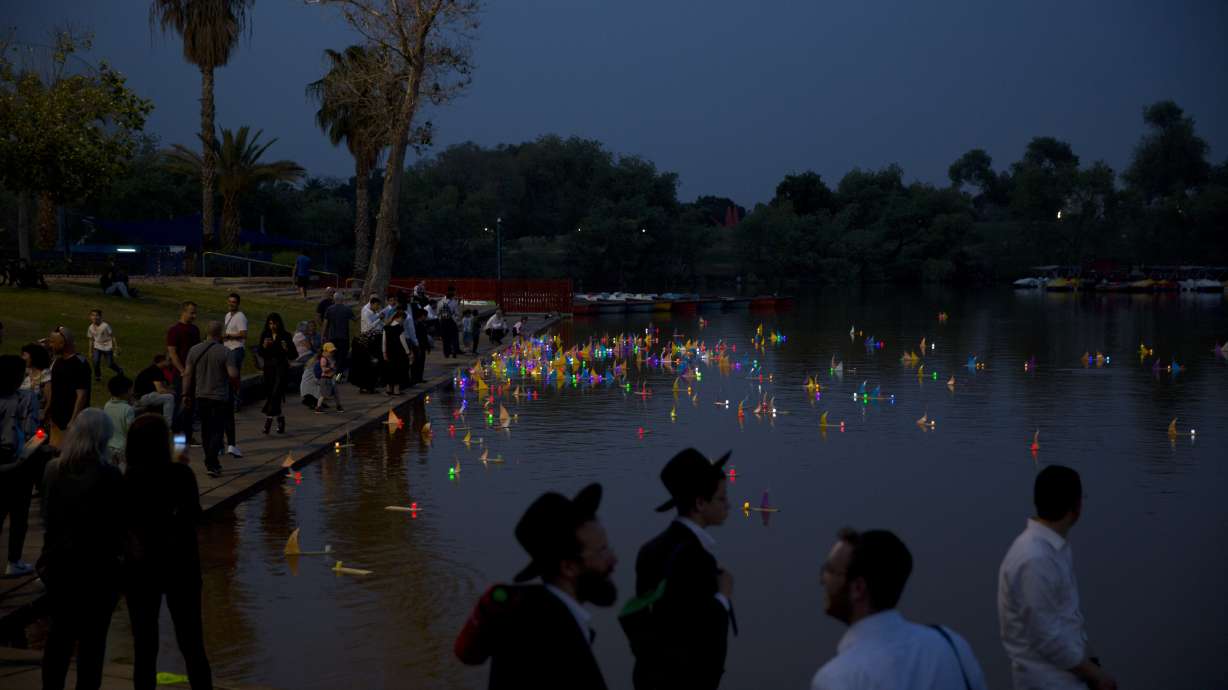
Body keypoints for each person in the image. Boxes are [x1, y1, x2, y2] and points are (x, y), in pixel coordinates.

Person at [455, 483, 616, 689]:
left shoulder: (537, 613)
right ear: (568, 567)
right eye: (602, 551)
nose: (614, 559)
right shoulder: (547, 633)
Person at [811, 528, 988, 690]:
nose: (822, 580)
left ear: (858, 588)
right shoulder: (951, 644)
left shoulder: (836, 679)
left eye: (830, 571)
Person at [998, 465, 1117, 690]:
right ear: (1077, 506)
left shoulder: (1053, 548)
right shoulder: (1034, 558)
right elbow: (1046, 637)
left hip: (1071, 677)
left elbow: (1067, 619)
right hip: (1047, 682)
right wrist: (1097, 675)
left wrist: (1090, 662)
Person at [631, 448, 736, 690]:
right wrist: (723, 597)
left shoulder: (650, 549)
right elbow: (700, 634)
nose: (728, 505)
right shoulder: (696, 557)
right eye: (721, 498)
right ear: (700, 503)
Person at [123, 414, 212, 690]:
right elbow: (195, 518)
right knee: (192, 643)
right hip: (180, 564)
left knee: (144, 647)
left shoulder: (129, 478)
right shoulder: (181, 475)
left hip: (141, 567)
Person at [38, 408, 124, 690]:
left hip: (60, 564)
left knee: (58, 638)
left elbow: (48, 517)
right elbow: (117, 524)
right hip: (97, 568)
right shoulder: (109, 475)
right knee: (93, 643)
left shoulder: (53, 470)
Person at [182, 321, 238, 478]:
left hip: (201, 395)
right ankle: (212, 462)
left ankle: (210, 460)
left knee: (206, 430)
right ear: (220, 334)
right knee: (218, 430)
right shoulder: (225, 352)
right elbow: (233, 374)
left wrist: (185, 394)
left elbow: (187, 374)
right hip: (219, 397)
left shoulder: (194, 350)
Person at [0, 354, 40, 576]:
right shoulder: (26, 398)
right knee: (18, 515)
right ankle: (13, 560)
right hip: (18, 464)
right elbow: (30, 433)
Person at [46, 328, 92, 447]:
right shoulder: (57, 361)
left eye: (52, 342)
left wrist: (73, 420)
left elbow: (82, 395)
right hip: (56, 419)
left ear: (63, 343)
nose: (50, 345)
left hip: (70, 421)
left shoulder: (79, 364)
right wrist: (48, 409)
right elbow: (54, 388)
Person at [166, 301, 201, 441]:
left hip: (193, 372)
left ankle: (187, 434)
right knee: (182, 403)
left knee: (190, 404)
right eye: (192, 312)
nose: (194, 316)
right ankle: (179, 435)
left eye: (195, 313)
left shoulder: (195, 329)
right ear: (184, 312)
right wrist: (182, 370)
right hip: (181, 373)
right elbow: (172, 352)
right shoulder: (174, 330)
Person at [256, 313, 293, 435]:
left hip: (281, 368)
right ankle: (280, 419)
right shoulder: (265, 335)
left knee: (275, 393)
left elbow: (294, 354)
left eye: (275, 323)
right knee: (272, 395)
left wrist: (286, 348)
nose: (272, 326)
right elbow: (260, 353)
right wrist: (264, 346)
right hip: (269, 369)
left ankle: (268, 422)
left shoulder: (285, 335)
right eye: (270, 323)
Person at [222, 293, 247, 458]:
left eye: (234, 302)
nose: (232, 304)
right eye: (230, 302)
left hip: (236, 350)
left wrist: (230, 336)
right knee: (228, 378)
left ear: (238, 304)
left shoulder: (240, 316)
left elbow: (243, 334)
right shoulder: (227, 315)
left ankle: (236, 401)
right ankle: (232, 398)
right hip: (227, 349)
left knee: (234, 378)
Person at [102, 375, 135, 467]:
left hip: (109, 446)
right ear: (125, 392)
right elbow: (130, 431)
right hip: (122, 448)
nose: (132, 392)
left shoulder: (107, 405)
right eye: (131, 390)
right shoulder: (128, 409)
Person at [133, 354, 176, 423]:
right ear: (162, 361)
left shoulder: (156, 370)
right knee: (169, 397)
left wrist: (169, 389)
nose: (170, 362)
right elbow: (160, 390)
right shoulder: (155, 370)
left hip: (146, 395)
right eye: (168, 360)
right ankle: (167, 425)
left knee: (168, 395)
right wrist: (173, 392)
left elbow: (164, 386)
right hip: (142, 397)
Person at [323, 293, 357, 376]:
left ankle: (333, 373)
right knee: (342, 357)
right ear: (342, 299)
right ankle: (339, 374)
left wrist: (323, 335)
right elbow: (354, 319)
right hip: (343, 337)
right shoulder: (347, 309)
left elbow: (325, 323)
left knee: (333, 356)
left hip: (332, 336)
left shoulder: (329, 309)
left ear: (334, 299)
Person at [87, 309, 124, 382]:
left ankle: (119, 370)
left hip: (107, 347)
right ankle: (98, 376)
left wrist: (115, 347)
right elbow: (91, 339)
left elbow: (112, 336)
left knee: (110, 364)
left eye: (96, 315)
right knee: (96, 361)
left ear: (100, 317)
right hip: (97, 347)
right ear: (90, 317)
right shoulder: (90, 327)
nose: (94, 317)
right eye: (93, 315)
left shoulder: (105, 326)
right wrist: (90, 351)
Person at [382, 309, 412, 395]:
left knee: (389, 370)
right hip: (398, 352)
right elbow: (403, 341)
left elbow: (383, 342)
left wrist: (384, 352)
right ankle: (396, 390)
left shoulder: (386, 327)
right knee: (398, 370)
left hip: (389, 351)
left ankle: (388, 389)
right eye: (403, 320)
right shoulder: (399, 328)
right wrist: (408, 352)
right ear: (400, 318)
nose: (403, 322)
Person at [20, 342, 52, 421]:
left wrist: (43, 415)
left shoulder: (45, 375)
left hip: (38, 419)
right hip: (24, 417)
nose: (22, 358)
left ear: (33, 356)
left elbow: (50, 400)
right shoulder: (25, 374)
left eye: (24, 355)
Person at [314, 342, 343, 413]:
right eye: (331, 351)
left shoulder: (331, 358)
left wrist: (338, 378)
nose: (332, 353)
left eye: (333, 351)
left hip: (332, 378)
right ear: (325, 351)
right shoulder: (323, 359)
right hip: (325, 379)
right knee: (323, 394)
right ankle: (318, 407)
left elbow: (336, 370)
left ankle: (338, 406)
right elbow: (324, 370)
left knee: (336, 393)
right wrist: (331, 367)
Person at [408, 307, 430, 386]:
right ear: (421, 316)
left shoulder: (421, 324)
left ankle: (419, 378)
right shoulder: (416, 324)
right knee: (416, 363)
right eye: (425, 316)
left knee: (421, 362)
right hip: (418, 345)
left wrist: (427, 346)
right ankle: (415, 378)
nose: (426, 317)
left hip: (422, 345)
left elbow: (425, 336)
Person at [437, 287, 461, 358]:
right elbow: (457, 313)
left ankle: (446, 353)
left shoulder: (440, 302)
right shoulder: (454, 302)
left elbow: (438, 313)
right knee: (454, 337)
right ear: (452, 297)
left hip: (443, 322)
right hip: (451, 321)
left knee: (445, 338)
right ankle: (454, 350)